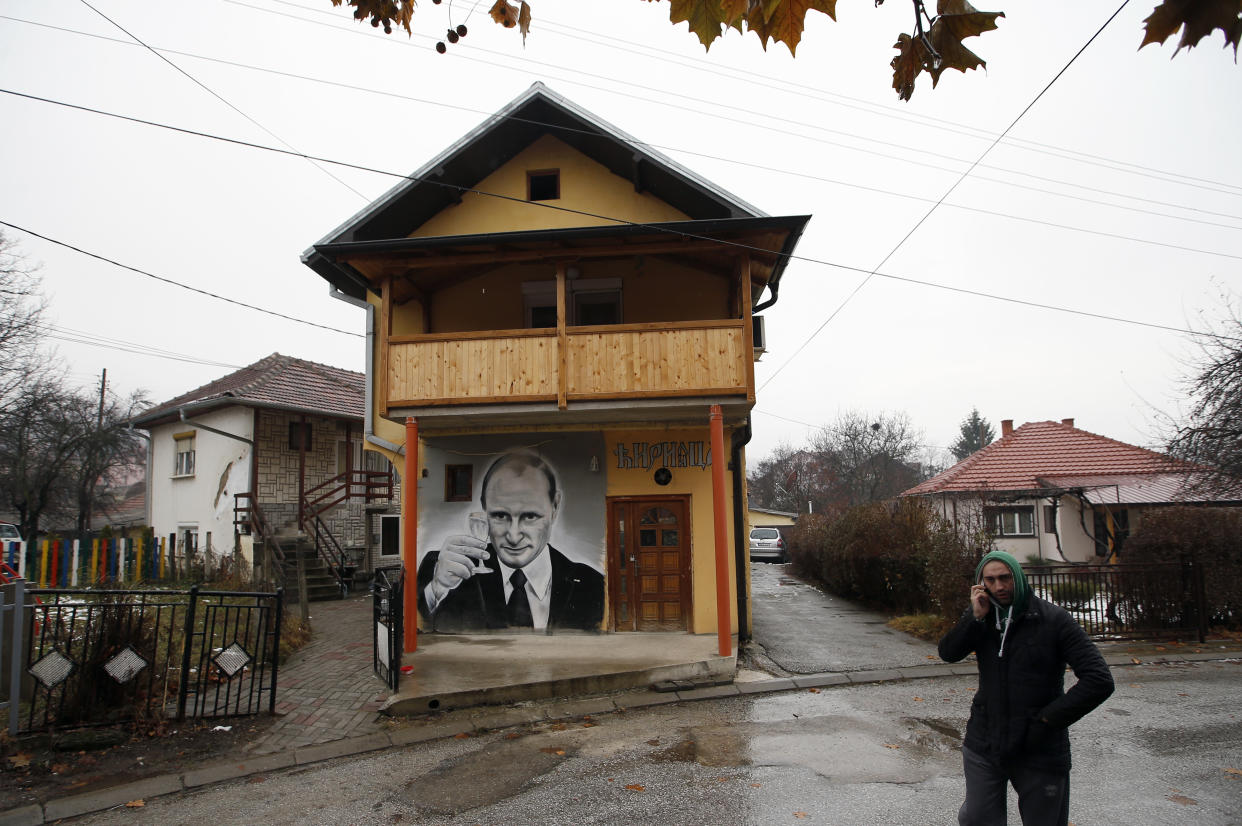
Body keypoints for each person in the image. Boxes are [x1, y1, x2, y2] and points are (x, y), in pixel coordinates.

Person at [939, 550, 1114, 826]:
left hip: (1039, 747)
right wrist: (973, 618)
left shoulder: (1053, 620)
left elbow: (1099, 679)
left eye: (1005, 578)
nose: (999, 586)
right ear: (981, 583)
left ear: (1018, 578)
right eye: (991, 580)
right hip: (985, 741)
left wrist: (1048, 719)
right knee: (977, 818)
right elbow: (948, 653)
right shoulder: (982, 618)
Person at [417, 451, 604, 633]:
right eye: (500, 515)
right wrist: (437, 590)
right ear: (484, 505)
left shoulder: (592, 584)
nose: (513, 537)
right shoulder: (444, 569)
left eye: (530, 516)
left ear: (555, 507)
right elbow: (419, 625)